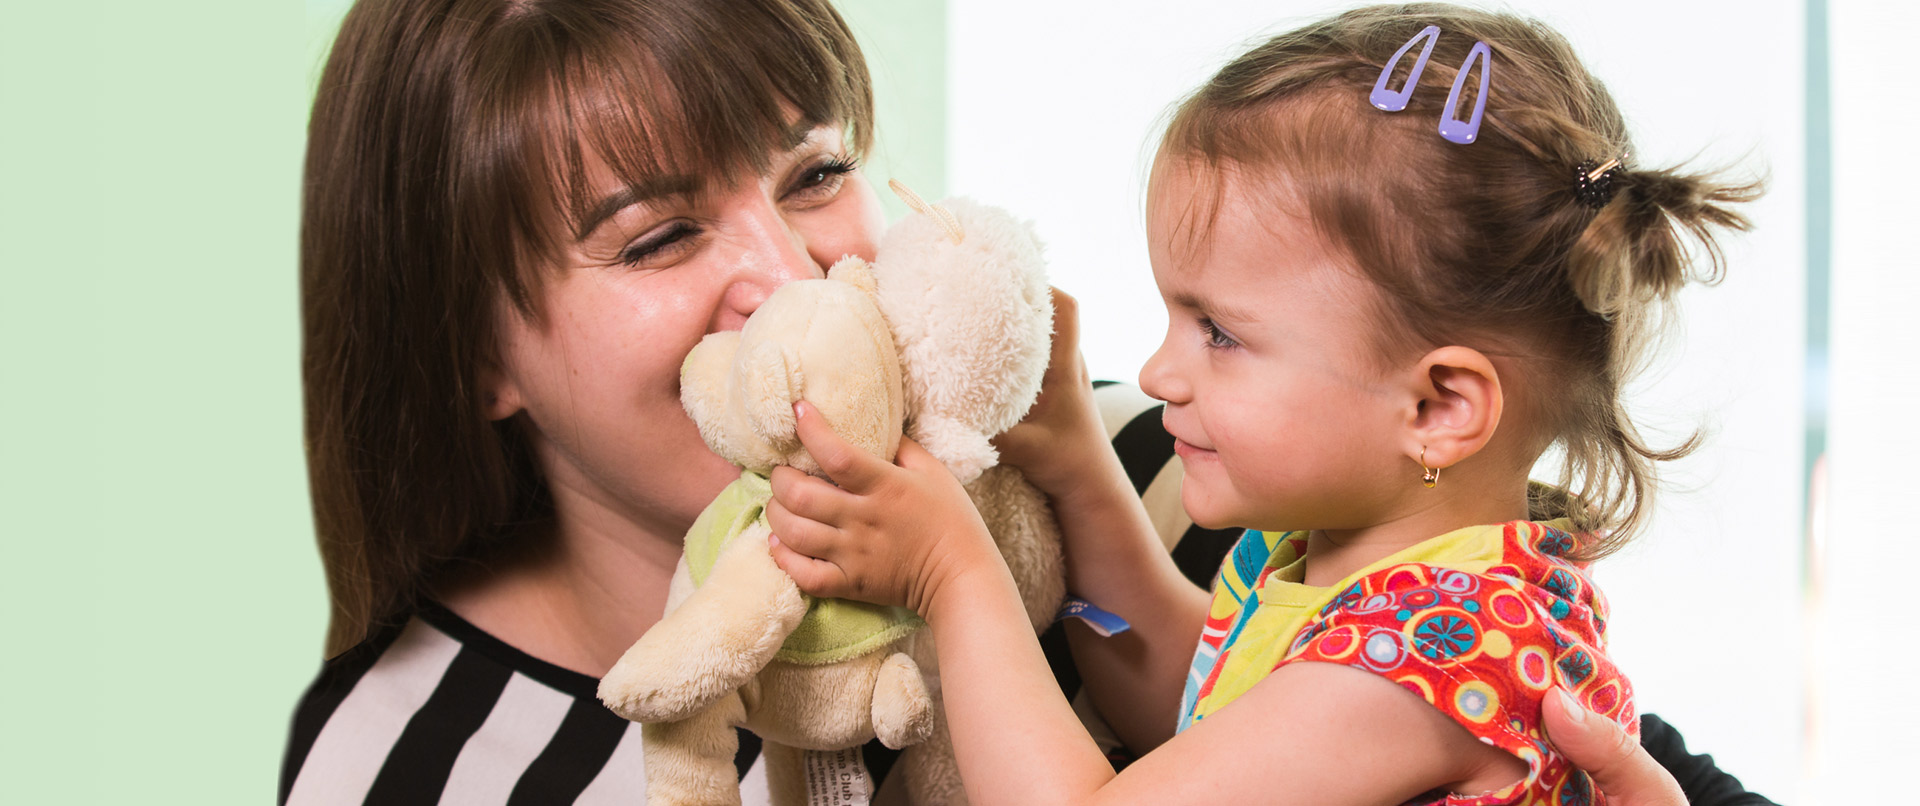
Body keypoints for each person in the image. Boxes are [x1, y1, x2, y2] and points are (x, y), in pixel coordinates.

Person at [281, 0, 1769, 803]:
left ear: (1443, 406)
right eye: (659, 236)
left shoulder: (1213, 471)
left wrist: (990, 537)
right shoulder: (414, 757)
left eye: (815, 173)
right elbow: (1195, 680)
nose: (791, 264)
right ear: (467, 347)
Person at [763, 4, 1770, 805]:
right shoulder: (1363, 568)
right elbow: (1192, 710)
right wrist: (1077, 458)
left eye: (1221, 333)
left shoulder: (1423, 663)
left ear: (1439, 405)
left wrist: (954, 570)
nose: (1159, 373)